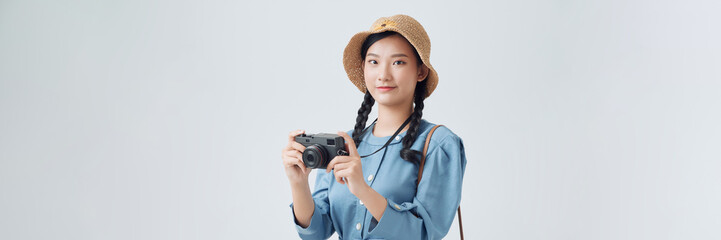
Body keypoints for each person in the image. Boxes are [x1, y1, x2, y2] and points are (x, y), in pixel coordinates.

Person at [281, 14, 467, 240]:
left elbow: (423, 234)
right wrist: (298, 183)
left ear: (421, 71)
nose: (383, 75)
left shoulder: (440, 145)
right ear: (363, 67)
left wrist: (363, 190)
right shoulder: (344, 145)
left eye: (398, 62)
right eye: (374, 62)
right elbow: (315, 234)